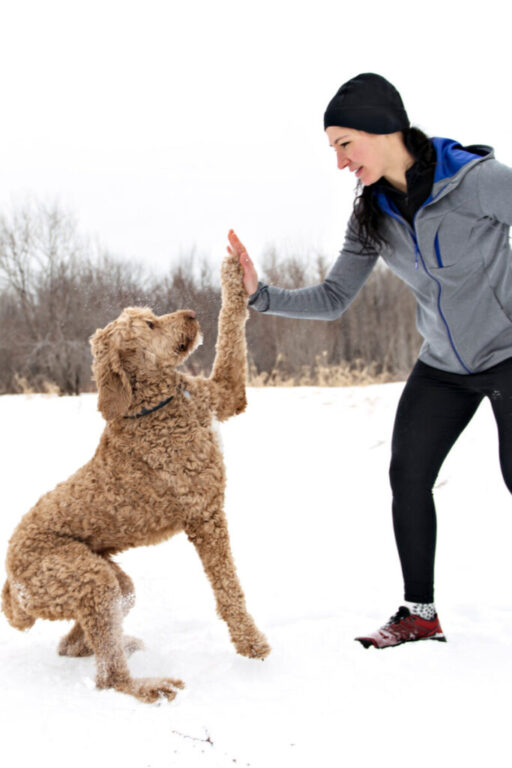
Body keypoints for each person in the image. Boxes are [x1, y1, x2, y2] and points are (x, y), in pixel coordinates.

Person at [226, 72, 512, 649]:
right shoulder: (374, 214)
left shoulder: (477, 182)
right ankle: (419, 614)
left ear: (383, 129)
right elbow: (333, 300)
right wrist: (259, 295)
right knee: (407, 476)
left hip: (508, 354)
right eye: (332, 148)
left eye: (343, 144)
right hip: (443, 367)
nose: (338, 162)